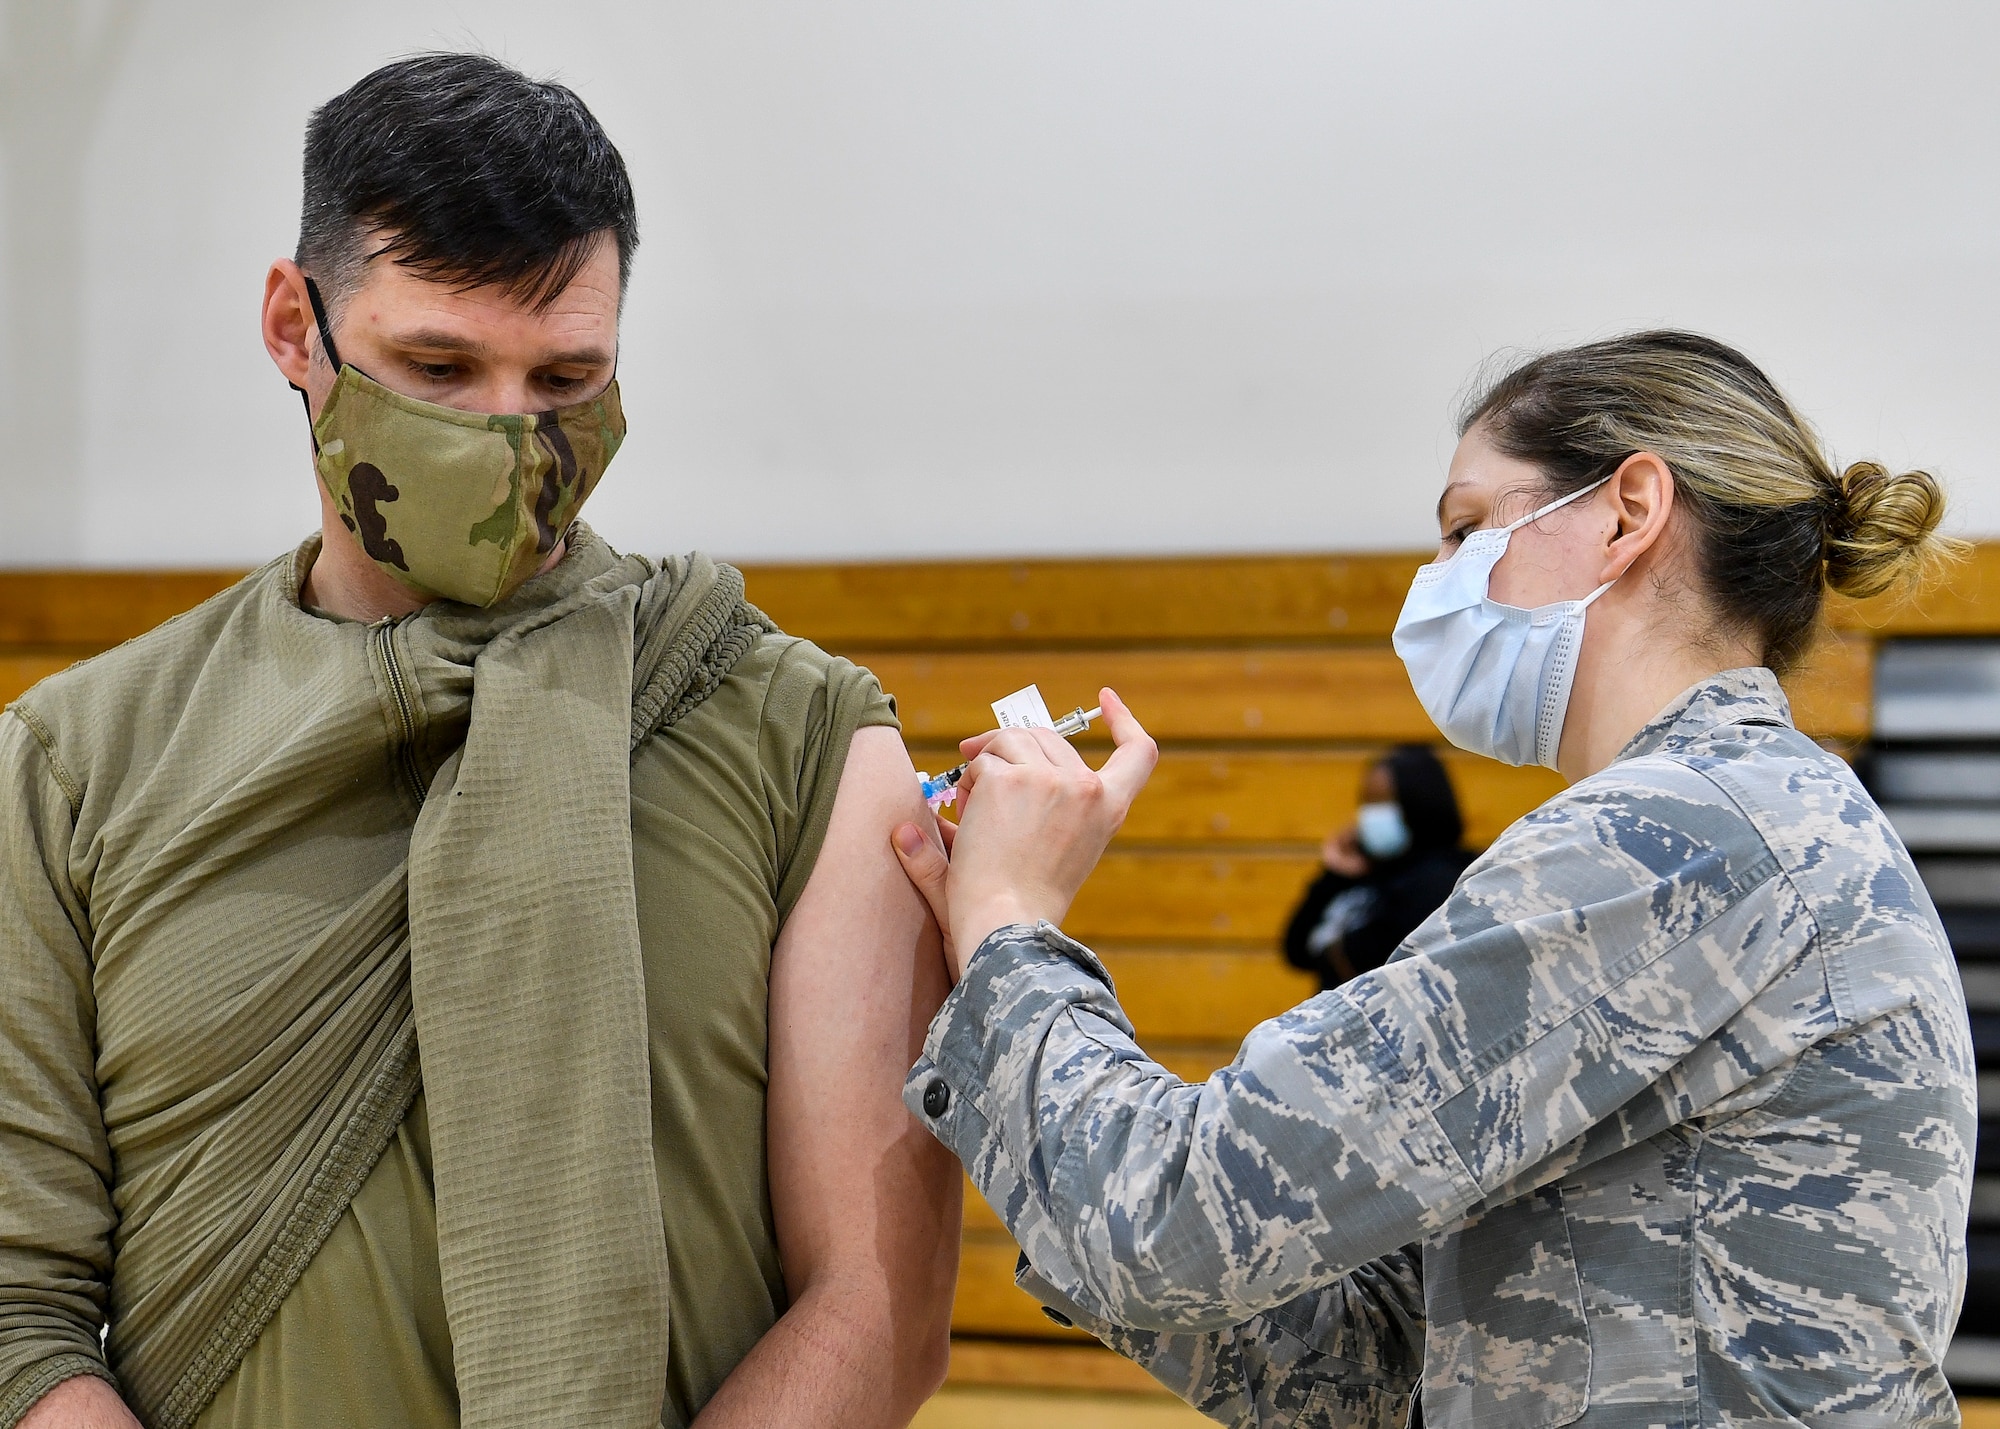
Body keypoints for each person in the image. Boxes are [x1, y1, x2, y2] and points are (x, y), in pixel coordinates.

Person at [0, 55, 958, 1429]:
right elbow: (19, 1315)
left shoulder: (800, 739)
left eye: (567, 377)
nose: (511, 437)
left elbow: (876, 1306)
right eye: (436, 368)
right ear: (295, 327)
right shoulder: (68, 767)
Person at [891, 331, 1974, 1429]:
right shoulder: (1749, 819)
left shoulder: (1678, 836)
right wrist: (1025, 1062)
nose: (1437, 580)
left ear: (1626, 510)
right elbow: (1382, 1361)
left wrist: (1006, 927)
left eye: (1466, 528)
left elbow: (1168, 1226)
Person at [1282, 746, 1473, 989]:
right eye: (1367, 802)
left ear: (1418, 803)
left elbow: (1381, 958)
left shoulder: (1442, 879)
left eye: (1383, 803)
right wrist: (1332, 876)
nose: (1371, 815)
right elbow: (1297, 951)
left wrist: (1336, 953)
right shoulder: (1363, 872)